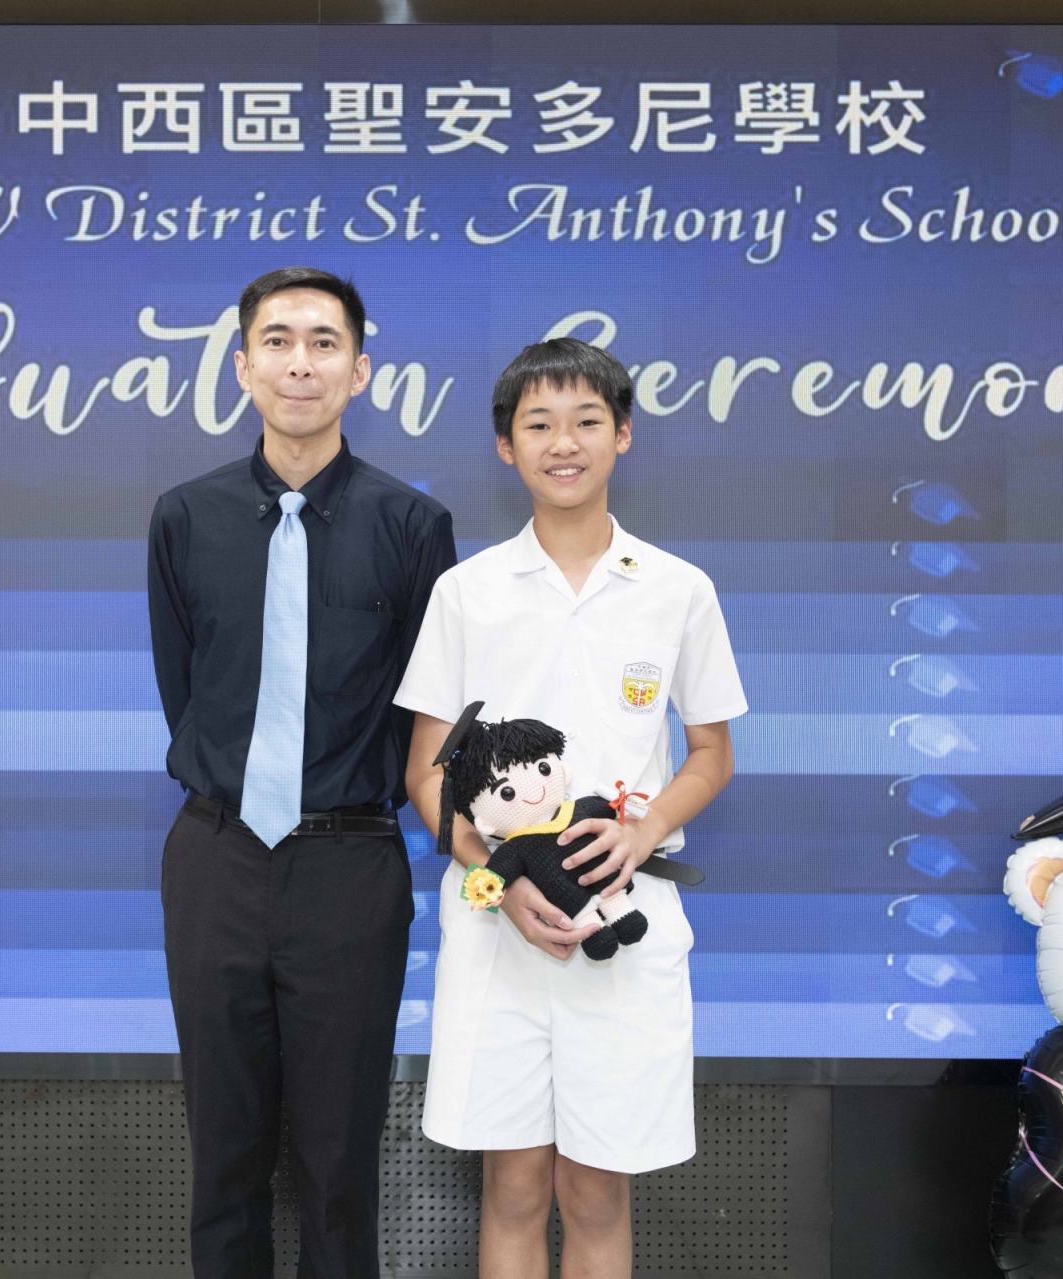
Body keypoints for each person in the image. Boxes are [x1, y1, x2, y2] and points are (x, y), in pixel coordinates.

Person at [395, 337, 747, 1279]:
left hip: (622, 922)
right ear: (505, 445)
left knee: (596, 1192)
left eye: (587, 420)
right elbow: (425, 771)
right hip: (497, 932)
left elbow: (711, 752)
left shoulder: (677, 588)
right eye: (538, 423)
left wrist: (643, 829)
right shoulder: (466, 593)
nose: (564, 442)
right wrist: (494, 880)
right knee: (513, 1187)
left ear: (622, 434)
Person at [147, 267, 457, 1279]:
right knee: (222, 1158)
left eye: (325, 342)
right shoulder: (183, 517)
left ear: (360, 371)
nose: (300, 363)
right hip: (216, 857)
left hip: (350, 865)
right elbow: (186, 687)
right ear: (242, 366)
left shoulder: (412, 526)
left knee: (339, 1162)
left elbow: (427, 715)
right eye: (277, 341)